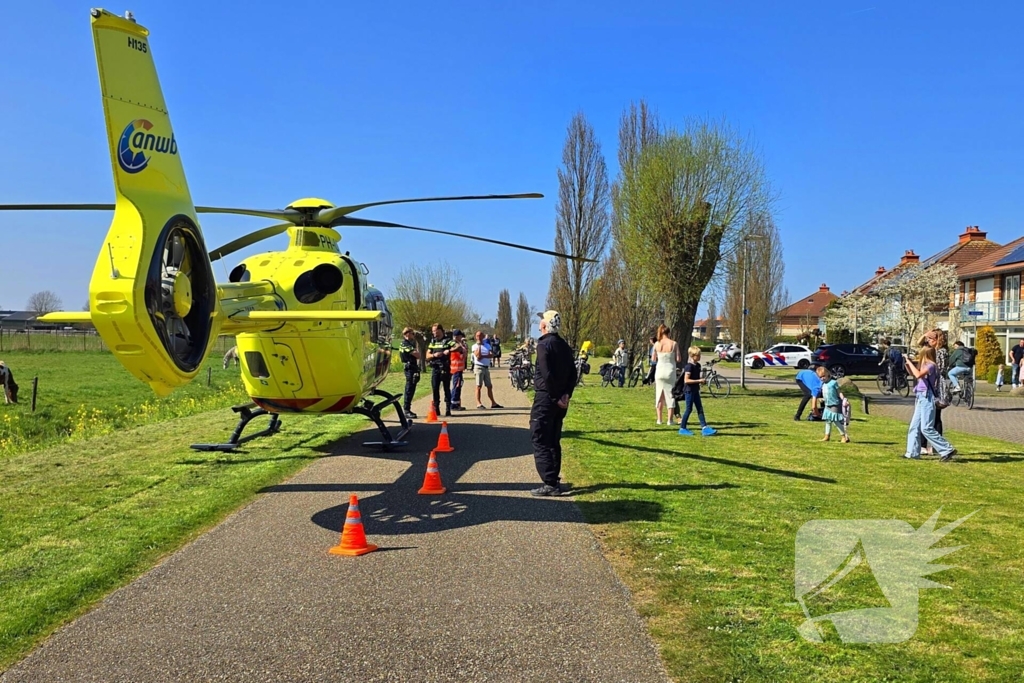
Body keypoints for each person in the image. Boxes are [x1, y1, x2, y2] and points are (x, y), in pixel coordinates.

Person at [529, 310, 576, 497]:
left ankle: (550, 482)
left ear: (544, 326)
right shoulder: (564, 345)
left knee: (539, 436)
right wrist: (566, 395)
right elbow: (573, 373)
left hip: (546, 398)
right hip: (560, 399)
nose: (539, 323)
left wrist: (557, 396)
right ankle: (554, 478)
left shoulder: (543, 345)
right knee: (554, 438)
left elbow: (546, 374)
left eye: (541, 320)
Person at [903, 344, 956, 461]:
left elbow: (918, 374)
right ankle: (911, 453)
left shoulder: (931, 366)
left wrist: (910, 362)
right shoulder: (925, 365)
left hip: (927, 397)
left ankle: (947, 449)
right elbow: (914, 374)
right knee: (914, 426)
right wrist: (908, 364)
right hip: (920, 397)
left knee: (926, 428)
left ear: (925, 354)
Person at [674, 346, 717, 436]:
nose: (700, 356)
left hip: (695, 390)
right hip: (689, 391)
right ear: (692, 356)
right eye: (698, 355)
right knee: (689, 409)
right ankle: (682, 428)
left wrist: (701, 381)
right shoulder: (688, 367)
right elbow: (686, 380)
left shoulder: (698, 366)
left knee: (700, 409)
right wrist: (699, 381)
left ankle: (704, 428)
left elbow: (696, 378)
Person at [652, 325, 682, 425]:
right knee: (670, 395)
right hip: (670, 371)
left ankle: (659, 420)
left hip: (659, 371)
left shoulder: (656, 344)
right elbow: (678, 359)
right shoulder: (674, 343)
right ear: (669, 333)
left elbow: (653, 359)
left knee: (659, 396)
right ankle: (670, 420)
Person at [426, 323, 455, 417]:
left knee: (446, 388)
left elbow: (458, 347)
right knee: (435, 388)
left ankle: (447, 409)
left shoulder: (447, 341)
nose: (434, 333)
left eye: (435, 331)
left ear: (440, 331)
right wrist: (434, 355)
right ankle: (436, 409)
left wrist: (449, 351)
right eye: (433, 331)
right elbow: (427, 355)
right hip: (435, 368)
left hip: (445, 368)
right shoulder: (433, 342)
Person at [817, 365, 850, 443]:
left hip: (835, 404)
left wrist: (844, 399)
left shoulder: (833, 383)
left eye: (823, 376)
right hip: (827, 405)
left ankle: (843, 436)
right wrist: (822, 399)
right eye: (820, 377)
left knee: (836, 421)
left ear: (827, 374)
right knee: (828, 421)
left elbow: (839, 392)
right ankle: (827, 436)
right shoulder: (823, 385)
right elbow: (826, 394)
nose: (822, 378)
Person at [472, 330, 503, 409]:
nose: (479, 337)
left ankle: (493, 403)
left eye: (480, 336)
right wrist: (479, 346)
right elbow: (478, 357)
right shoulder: (474, 346)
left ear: (483, 337)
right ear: (476, 337)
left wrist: (484, 356)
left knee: (489, 386)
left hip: (486, 367)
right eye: (477, 336)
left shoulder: (487, 345)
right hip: (479, 367)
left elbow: (491, 355)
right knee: (479, 386)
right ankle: (478, 403)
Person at [449, 329, 468, 411]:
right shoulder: (455, 345)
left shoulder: (460, 344)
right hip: (455, 367)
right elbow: (461, 350)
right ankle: (454, 404)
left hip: (459, 368)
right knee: (456, 386)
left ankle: (456, 402)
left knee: (458, 385)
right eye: (460, 336)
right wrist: (460, 343)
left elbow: (465, 353)